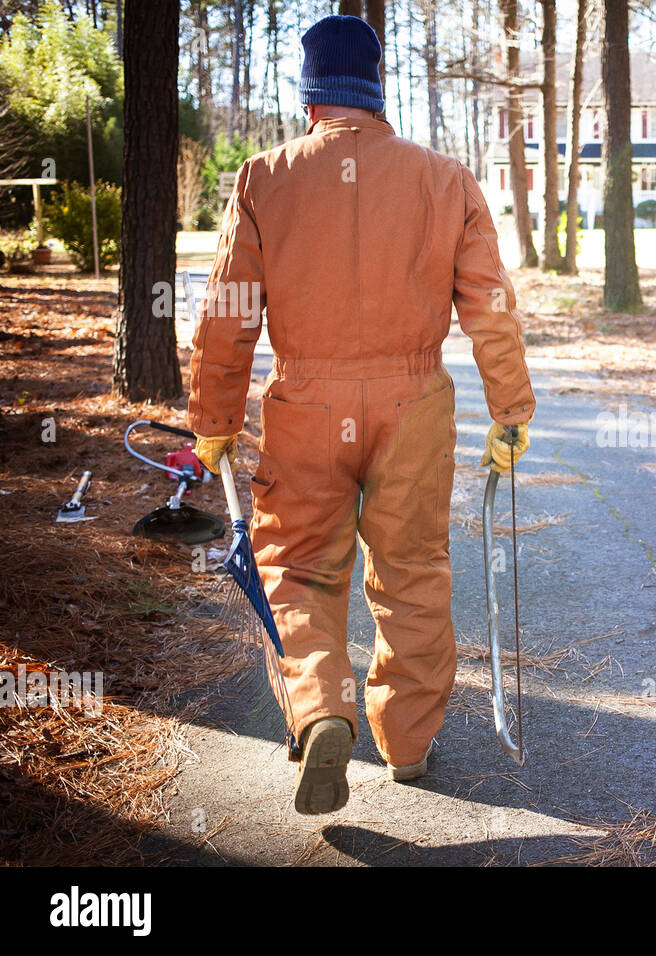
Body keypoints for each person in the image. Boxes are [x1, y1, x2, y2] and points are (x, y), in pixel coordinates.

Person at [187, 14, 534, 815]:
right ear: (377, 93)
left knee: (300, 567)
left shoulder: (264, 176)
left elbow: (229, 311)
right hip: (414, 405)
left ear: (311, 100)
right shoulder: (444, 179)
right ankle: (407, 743)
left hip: (305, 404)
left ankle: (320, 711)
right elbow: (488, 305)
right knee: (411, 570)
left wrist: (215, 416)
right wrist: (509, 407)